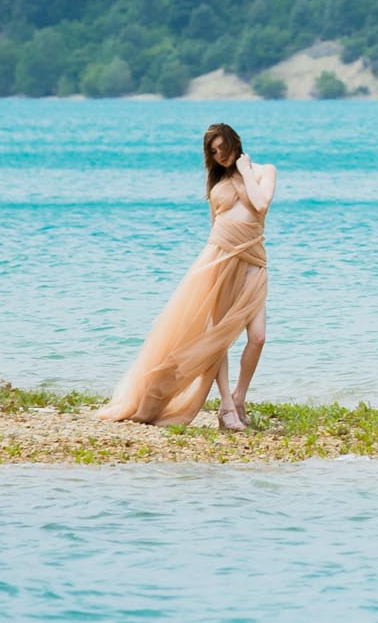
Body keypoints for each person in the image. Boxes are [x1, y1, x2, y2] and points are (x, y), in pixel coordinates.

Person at [95, 123, 273, 430]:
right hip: (219, 258)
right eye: (213, 152)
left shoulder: (263, 171)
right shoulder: (216, 182)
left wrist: (244, 171)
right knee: (217, 337)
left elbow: (261, 204)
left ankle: (239, 397)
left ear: (235, 142)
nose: (220, 155)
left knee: (258, 337)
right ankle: (226, 407)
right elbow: (215, 224)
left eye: (223, 147)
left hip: (253, 261)